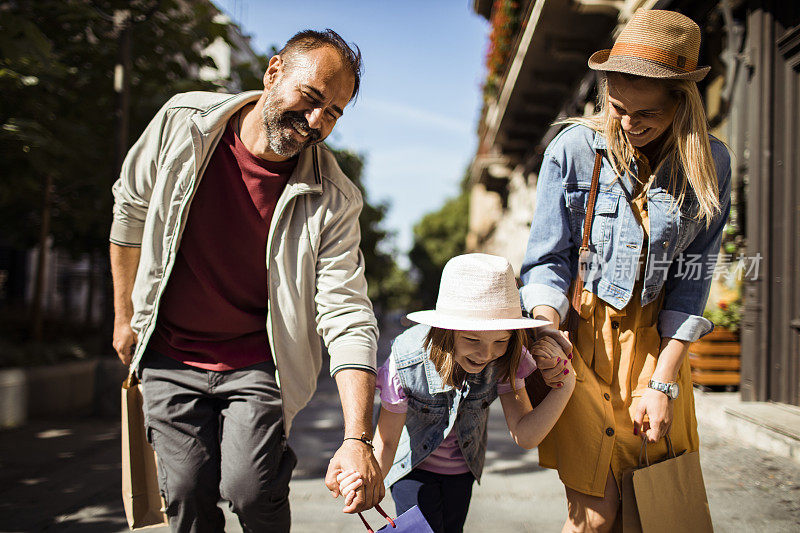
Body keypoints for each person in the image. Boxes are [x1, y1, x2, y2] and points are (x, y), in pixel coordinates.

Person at [109, 29, 383, 532]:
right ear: (274, 71)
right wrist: (124, 316)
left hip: (258, 361)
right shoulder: (182, 123)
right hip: (170, 349)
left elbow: (346, 313)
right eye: (313, 97)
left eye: (335, 112)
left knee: (250, 491)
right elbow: (130, 211)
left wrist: (357, 438)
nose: (317, 121)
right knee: (187, 492)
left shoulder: (336, 199)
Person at [519, 9, 732, 533]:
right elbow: (547, 260)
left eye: (649, 115)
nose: (631, 124)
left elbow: (692, 283)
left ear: (681, 104)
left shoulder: (710, 164)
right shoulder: (570, 150)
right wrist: (545, 331)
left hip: (657, 352)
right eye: (619, 108)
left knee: (651, 516)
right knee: (593, 518)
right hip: (581, 349)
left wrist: (663, 385)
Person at [337, 253, 576, 532]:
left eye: (500, 340)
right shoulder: (406, 360)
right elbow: (387, 442)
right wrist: (367, 480)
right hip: (413, 470)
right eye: (472, 339)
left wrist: (566, 385)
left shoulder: (506, 359)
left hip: (462, 474)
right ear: (445, 332)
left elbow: (525, 435)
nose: (486, 353)